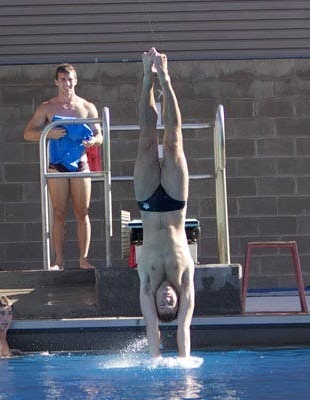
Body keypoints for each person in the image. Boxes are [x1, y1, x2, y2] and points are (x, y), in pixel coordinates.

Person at [134, 48, 195, 358]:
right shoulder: (185, 277)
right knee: (173, 141)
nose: (167, 299)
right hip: (174, 205)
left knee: (146, 138)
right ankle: (166, 79)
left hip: (147, 203)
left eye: (163, 304)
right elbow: (183, 327)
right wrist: (183, 363)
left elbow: (151, 328)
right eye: (172, 303)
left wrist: (156, 360)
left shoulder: (147, 281)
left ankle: (146, 78)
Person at [23, 63, 103, 270]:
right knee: (58, 212)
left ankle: (83, 259)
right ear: (56, 81)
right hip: (56, 165)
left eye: (70, 79)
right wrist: (47, 133)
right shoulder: (48, 107)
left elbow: (100, 134)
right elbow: (28, 133)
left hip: (80, 164)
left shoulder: (87, 107)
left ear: (75, 80)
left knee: (82, 211)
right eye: (63, 79)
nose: (67, 83)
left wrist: (93, 141)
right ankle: (58, 259)